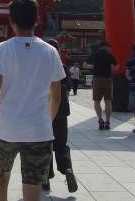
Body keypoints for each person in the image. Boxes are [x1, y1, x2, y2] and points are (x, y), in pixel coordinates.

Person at [0, 0, 64, 201]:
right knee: (33, 187)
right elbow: (57, 95)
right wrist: (46, 121)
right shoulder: (51, 51)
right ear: (37, 20)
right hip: (39, 130)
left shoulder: (1, 49)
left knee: (0, 178)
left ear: (11, 21)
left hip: (6, 128)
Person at [42, 40, 78, 193]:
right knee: (61, 145)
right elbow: (69, 87)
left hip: (44, 112)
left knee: (45, 145)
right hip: (61, 112)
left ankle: (46, 179)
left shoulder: (41, 68)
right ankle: (67, 168)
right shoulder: (62, 67)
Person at [84, 41, 119, 130]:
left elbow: (85, 65)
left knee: (96, 101)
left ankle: (100, 119)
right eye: (109, 47)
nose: (109, 49)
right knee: (108, 101)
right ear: (106, 47)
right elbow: (116, 67)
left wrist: (94, 67)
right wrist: (111, 68)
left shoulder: (94, 55)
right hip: (107, 79)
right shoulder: (110, 55)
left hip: (97, 79)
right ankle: (107, 121)